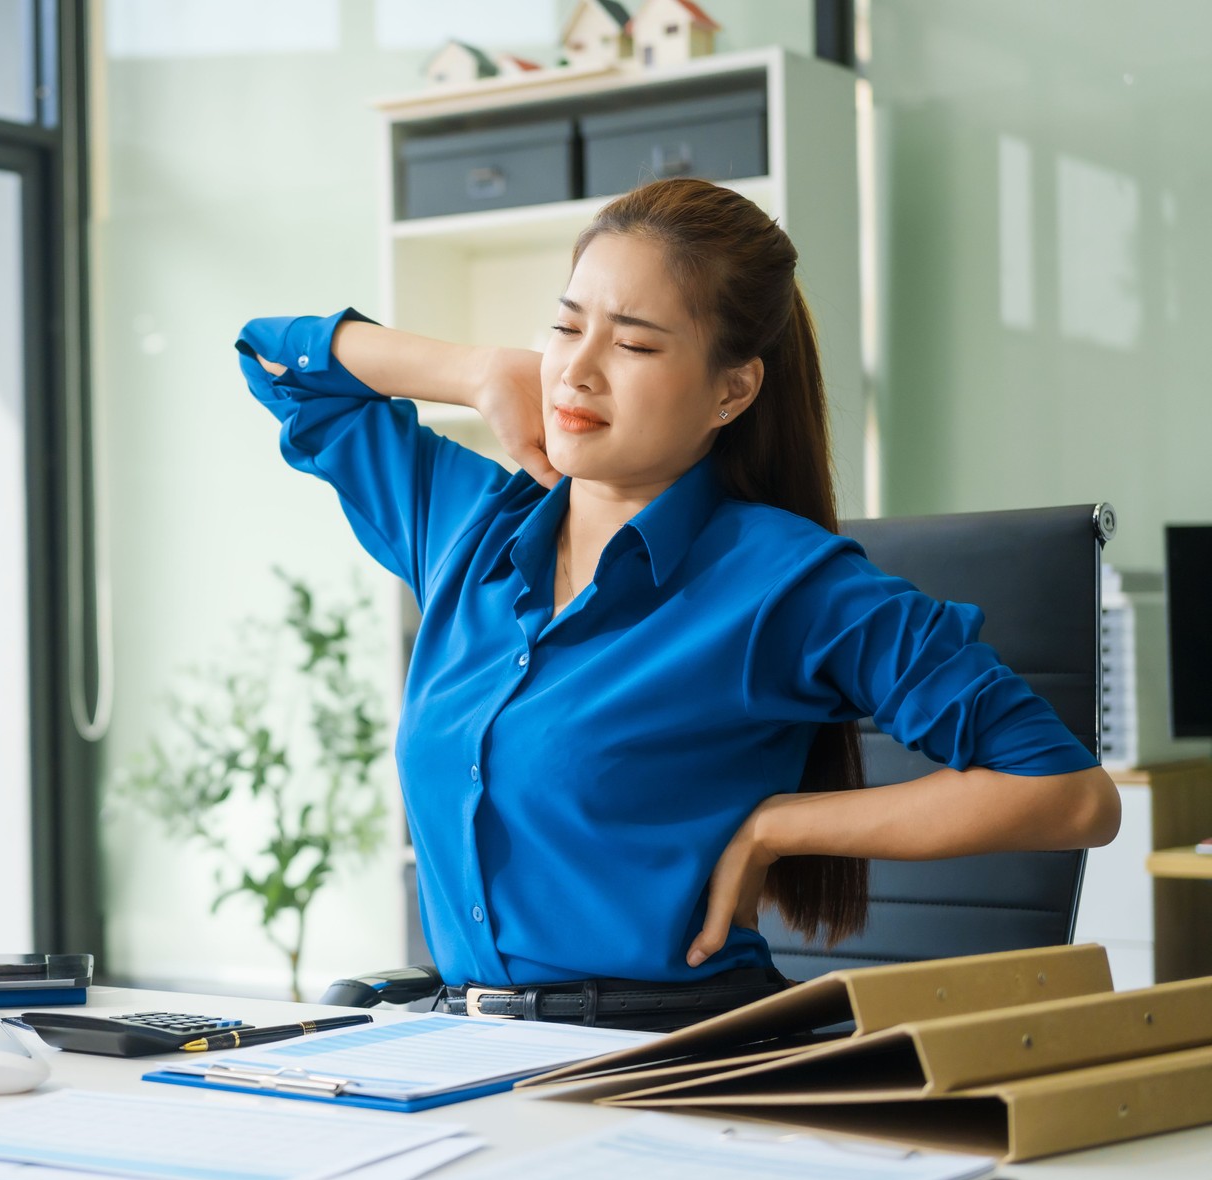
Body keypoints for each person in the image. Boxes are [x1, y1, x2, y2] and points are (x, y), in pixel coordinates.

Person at [235, 177, 1120, 1031]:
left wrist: (785, 824)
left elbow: (1071, 795)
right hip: (466, 1052)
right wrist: (474, 372)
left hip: (661, 1060)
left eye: (633, 344)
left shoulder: (789, 583)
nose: (577, 370)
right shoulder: (467, 528)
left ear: (732, 390)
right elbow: (277, 357)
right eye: (565, 326)